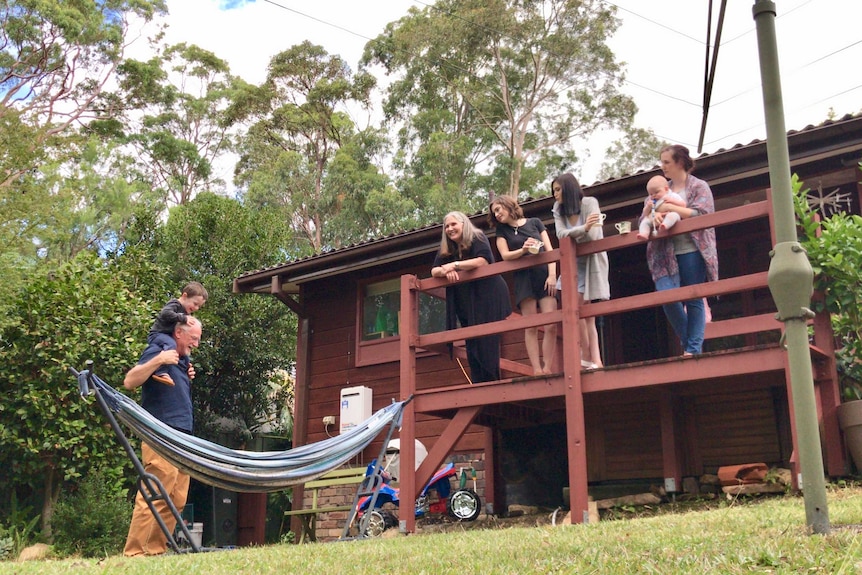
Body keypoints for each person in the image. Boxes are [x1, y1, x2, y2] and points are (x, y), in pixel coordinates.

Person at [123, 317, 202, 557]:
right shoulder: (160, 350)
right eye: (193, 338)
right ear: (178, 332)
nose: (196, 344)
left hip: (182, 437)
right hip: (161, 434)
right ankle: (135, 553)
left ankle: (155, 551)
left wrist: (184, 373)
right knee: (157, 493)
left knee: (177, 498)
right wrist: (159, 360)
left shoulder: (180, 361)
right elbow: (130, 381)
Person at [642, 144, 719, 355]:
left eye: (666, 162)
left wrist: (671, 209)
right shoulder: (659, 188)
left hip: (693, 250)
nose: (663, 166)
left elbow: (704, 213)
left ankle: (693, 349)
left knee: (694, 297)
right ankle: (689, 343)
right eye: (662, 162)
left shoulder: (699, 186)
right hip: (664, 254)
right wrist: (652, 215)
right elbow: (643, 216)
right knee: (667, 297)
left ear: (679, 162)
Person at [431, 211, 512, 383]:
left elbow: (483, 261)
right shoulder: (448, 247)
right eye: (446, 226)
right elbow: (434, 270)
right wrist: (447, 270)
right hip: (467, 301)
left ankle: (491, 384)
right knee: (472, 343)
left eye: (453, 224)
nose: (450, 229)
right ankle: (479, 384)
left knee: (487, 341)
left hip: (488, 295)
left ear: (463, 224)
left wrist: (455, 265)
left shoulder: (477, 237)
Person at [489, 196, 558, 375]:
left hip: (544, 275)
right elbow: (505, 255)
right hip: (523, 279)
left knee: (551, 324)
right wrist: (523, 250)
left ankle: (547, 367)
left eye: (498, 209)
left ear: (508, 206)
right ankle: (536, 369)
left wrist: (552, 275)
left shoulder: (535, 223)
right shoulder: (502, 232)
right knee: (531, 325)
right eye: (494, 212)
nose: (496, 214)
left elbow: (549, 250)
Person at [552, 173, 610, 370]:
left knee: (584, 312)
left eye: (558, 190)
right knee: (578, 312)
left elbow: (593, 235)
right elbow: (561, 234)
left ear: (568, 188)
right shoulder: (558, 209)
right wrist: (583, 228)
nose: (555, 195)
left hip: (591, 262)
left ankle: (591, 358)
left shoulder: (589, 203)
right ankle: (591, 358)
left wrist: (582, 231)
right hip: (572, 264)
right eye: (553, 191)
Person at [148, 282, 208, 386]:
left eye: (199, 306)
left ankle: (185, 371)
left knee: (185, 355)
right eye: (195, 304)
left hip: (167, 337)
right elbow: (165, 314)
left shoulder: (184, 311)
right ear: (185, 296)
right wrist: (183, 318)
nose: (196, 308)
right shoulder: (174, 304)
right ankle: (161, 372)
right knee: (172, 344)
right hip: (158, 334)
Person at [637, 175, 687, 240]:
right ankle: (644, 233)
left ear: (666, 189)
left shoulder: (672, 195)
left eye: (656, 192)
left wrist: (673, 201)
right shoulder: (650, 201)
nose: (654, 195)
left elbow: (683, 205)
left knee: (673, 215)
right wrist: (648, 207)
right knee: (645, 221)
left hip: (669, 214)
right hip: (655, 219)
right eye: (651, 194)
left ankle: (665, 225)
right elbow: (645, 214)